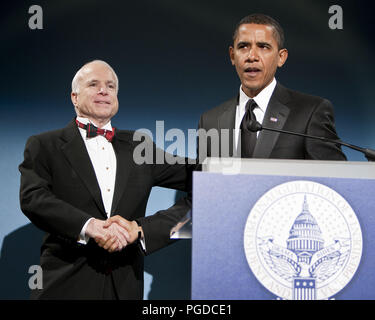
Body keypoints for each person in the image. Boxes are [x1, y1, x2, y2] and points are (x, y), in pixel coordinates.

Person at [19, 60, 192, 299]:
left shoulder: (139, 146)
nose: (104, 90)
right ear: (74, 97)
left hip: (124, 286)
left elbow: (198, 174)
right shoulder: (44, 145)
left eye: (110, 86)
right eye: (94, 84)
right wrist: (90, 226)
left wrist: (143, 229)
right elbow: (33, 198)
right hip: (64, 285)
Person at [198, 13, 346, 161]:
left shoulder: (310, 113)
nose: (252, 56)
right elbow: (202, 179)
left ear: (281, 57)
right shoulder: (210, 121)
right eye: (243, 46)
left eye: (263, 47)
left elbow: (335, 178)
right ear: (232, 56)